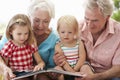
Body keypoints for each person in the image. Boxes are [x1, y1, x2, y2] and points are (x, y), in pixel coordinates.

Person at [54, 0, 120, 80]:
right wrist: (59, 59)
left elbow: (118, 69)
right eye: (87, 19)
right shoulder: (78, 27)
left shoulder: (118, 33)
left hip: (107, 76)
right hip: (81, 71)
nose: (89, 25)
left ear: (107, 17)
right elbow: (65, 45)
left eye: (95, 20)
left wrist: (94, 77)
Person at [0, 0, 58, 80]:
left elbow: (51, 66)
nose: (40, 26)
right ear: (28, 17)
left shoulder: (54, 38)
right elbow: (2, 57)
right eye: (36, 20)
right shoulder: (14, 32)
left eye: (46, 21)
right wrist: (4, 68)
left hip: (36, 74)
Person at [0, 14, 45, 80]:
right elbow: (5, 67)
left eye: (26, 33)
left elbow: (40, 61)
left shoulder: (30, 44)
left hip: (31, 73)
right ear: (10, 32)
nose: (23, 37)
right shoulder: (9, 46)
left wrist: (40, 65)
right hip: (16, 75)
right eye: (19, 34)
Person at [54, 15, 86, 80]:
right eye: (63, 32)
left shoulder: (79, 43)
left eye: (70, 32)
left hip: (77, 67)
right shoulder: (58, 46)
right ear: (58, 31)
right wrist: (71, 72)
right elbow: (62, 61)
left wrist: (75, 69)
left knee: (85, 68)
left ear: (75, 32)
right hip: (64, 68)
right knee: (57, 69)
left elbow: (82, 58)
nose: (66, 35)